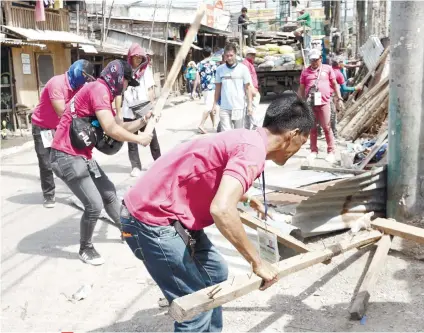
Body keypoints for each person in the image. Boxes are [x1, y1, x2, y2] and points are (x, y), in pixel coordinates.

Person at [120, 92, 314, 332]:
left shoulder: (247, 138)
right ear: (292, 135)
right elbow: (221, 210)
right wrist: (257, 261)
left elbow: (210, 171)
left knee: (215, 273)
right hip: (150, 219)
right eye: (302, 143)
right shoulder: (252, 152)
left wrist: (244, 197)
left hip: (168, 213)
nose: (298, 150)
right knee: (194, 308)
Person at [50, 60, 153, 265]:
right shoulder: (99, 89)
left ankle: (127, 233)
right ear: (117, 78)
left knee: (108, 192)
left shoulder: (101, 91)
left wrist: (143, 122)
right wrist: (140, 139)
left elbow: (117, 126)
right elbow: (111, 129)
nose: (125, 87)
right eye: (125, 82)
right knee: (94, 204)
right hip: (65, 155)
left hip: (81, 154)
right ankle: (85, 248)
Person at [31, 60, 95, 208]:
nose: (85, 81)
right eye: (84, 76)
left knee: (73, 159)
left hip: (61, 126)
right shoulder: (57, 83)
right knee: (47, 163)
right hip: (43, 127)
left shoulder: (81, 86)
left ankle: (80, 190)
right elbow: (61, 111)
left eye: (87, 78)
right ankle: (49, 194)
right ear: (77, 72)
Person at [115, 43, 161, 177]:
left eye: (141, 57)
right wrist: (118, 113)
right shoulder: (124, 70)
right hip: (128, 109)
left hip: (144, 107)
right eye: (136, 57)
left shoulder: (146, 70)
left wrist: (153, 108)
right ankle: (135, 166)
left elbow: (150, 89)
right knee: (132, 140)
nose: (139, 59)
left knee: (152, 136)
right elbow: (119, 93)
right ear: (130, 57)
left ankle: (159, 161)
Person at [298, 49, 342, 164]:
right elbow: (302, 88)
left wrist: (339, 98)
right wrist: (299, 102)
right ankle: (313, 151)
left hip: (324, 103)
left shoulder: (327, 69)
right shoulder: (305, 72)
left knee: (327, 127)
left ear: (320, 58)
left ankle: (331, 151)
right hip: (310, 103)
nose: (313, 62)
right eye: (311, 60)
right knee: (312, 128)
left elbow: (334, 84)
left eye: (315, 60)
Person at [212, 43, 252, 131]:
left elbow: (248, 88)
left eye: (231, 55)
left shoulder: (243, 69)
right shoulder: (220, 69)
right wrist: (214, 104)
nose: (229, 58)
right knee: (226, 135)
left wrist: (249, 105)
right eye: (227, 55)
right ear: (224, 56)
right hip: (224, 108)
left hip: (239, 107)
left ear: (235, 55)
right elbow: (218, 88)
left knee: (238, 134)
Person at [197, 49, 220, 134]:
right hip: (212, 87)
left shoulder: (199, 64)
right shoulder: (213, 64)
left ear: (203, 54)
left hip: (204, 88)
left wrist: (194, 89)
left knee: (211, 106)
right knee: (209, 107)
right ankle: (201, 124)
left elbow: (197, 78)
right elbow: (217, 75)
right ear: (211, 54)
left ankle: (214, 125)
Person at [242, 48, 263, 130]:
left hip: (253, 89)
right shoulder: (245, 64)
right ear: (247, 55)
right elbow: (247, 79)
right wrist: (252, 90)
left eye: (254, 54)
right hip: (251, 90)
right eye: (251, 54)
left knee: (249, 109)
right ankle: (255, 126)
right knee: (252, 108)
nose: (253, 56)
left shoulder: (250, 63)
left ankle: (247, 127)